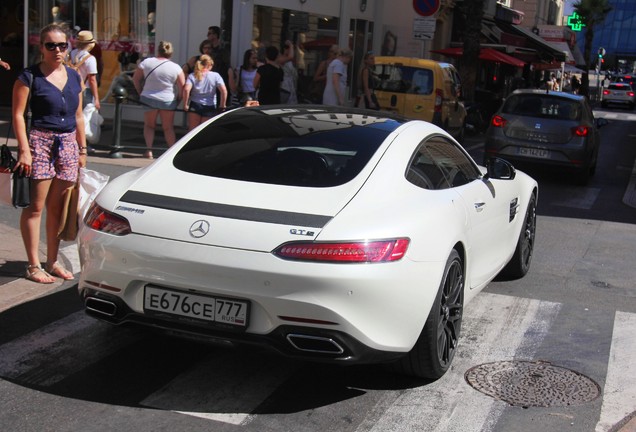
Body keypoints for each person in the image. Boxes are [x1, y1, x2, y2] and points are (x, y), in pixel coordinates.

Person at [11, 23, 88, 284]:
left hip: (67, 143)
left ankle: (52, 262)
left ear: (68, 47)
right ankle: (33, 265)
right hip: (39, 142)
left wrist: (82, 148)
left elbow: (78, 116)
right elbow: (18, 116)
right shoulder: (29, 77)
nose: (57, 50)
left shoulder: (75, 75)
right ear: (41, 47)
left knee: (58, 208)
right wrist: (24, 150)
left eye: (62, 45)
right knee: (35, 207)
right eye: (51, 45)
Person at [133, 40, 185, 159]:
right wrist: (178, 100)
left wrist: (141, 92)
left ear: (158, 50)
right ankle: (171, 152)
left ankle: (149, 151)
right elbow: (182, 87)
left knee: (149, 125)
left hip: (148, 97)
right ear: (171, 53)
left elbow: (136, 79)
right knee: (168, 127)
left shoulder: (147, 62)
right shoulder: (176, 67)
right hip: (167, 99)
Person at [183, 54, 227, 130]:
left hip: (195, 104)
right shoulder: (216, 76)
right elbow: (224, 91)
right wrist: (222, 105)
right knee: (204, 130)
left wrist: (185, 104)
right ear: (209, 65)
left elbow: (186, 89)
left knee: (192, 131)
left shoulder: (192, 75)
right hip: (210, 105)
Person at [68, 30, 100, 110]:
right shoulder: (90, 59)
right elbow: (92, 80)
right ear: (90, 44)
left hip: (71, 88)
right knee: (85, 116)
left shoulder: (71, 54)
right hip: (85, 90)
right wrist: (96, 98)